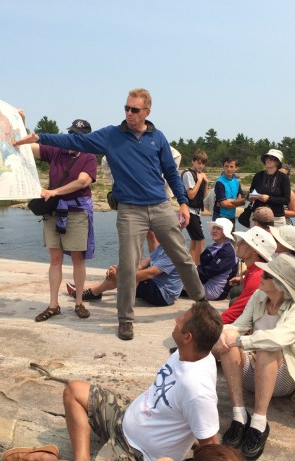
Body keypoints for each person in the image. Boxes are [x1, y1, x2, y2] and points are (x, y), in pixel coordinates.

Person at [13, 88, 205, 340]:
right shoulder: (111, 135)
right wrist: (39, 136)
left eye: (135, 109)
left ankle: (202, 304)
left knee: (182, 257)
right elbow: (73, 142)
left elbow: (170, 172)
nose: (129, 113)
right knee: (128, 265)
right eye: (126, 108)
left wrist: (182, 203)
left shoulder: (157, 138)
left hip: (160, 206)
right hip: (130, 210)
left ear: (147, 112)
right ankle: (125, 319)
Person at [1, 301, 222, 461]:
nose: (176, 320)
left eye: (181, 320)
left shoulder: (197, 389)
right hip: (126, 416)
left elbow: (211, 448)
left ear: (188, 337)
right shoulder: (187, 353)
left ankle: (44, 459)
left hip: (138, 455)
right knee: (74, 391)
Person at [213, 254, 295, 461]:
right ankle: (239, 416)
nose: (261, 277)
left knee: (267, 347)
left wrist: (239, 340)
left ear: (281, 285)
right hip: (255, 372)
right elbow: (240, 325)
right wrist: (223, 333)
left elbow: (277, 339)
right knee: (229, 344)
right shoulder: (258, 296)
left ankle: (259, 422)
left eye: (267, 275)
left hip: (284, 379)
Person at [21, 115, 97, 322]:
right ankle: (53, 305)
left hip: (76, 212)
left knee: (77, 258)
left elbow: (82, 182)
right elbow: (28, 147)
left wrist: (54, 192)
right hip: (53, 212)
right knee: (55, 259)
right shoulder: (57, 150)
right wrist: (20, 123)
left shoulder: (89, 157)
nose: (73, 138)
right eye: (71, 133)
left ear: (86, 139)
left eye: (78, 136)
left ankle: (79, 302)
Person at [67, 232, 182, 307]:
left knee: (121, 277)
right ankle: (88, 289)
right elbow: (143, 263)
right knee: (119, 272)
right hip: (155, 284)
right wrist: (120, 269)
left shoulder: (173, 251)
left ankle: (92, 292)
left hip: (162, 294)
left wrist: (121, 275)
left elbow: (150, 273)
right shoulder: (163, 246)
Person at [221, 227, 276, 324]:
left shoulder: (257, 276)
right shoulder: (254, 271)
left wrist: (209, 324)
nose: (237, 244)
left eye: (243, 242)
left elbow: (235, 313)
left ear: (254, 250)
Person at [196, 218, 238, 301]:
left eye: (218, 229)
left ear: (226, 232)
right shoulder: (217, 246)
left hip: (216, 291)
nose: (214, 231)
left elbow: (208, 272)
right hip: (207, 284)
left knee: (178, 277)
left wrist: (190, 272)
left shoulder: (227, 251)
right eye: (214, 228)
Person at [247, 149, 290, 228]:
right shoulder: (258, 176)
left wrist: (269, 198)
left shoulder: (283, 178)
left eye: (272, 158)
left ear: (277, 162)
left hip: (276, 218)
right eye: (267, 158)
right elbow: (250, 193)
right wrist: (251, 197)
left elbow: (286, 200)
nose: (268, 160)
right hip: (257, 217)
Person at [182, 150, 209, 265]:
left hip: (196, 212)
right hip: (189, 210)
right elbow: (191, 195)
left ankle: (191, 264)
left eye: (203, 163)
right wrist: (199, 180)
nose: (201, 166)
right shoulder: (188, 174)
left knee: (194, 239)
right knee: (201, 240)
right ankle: (198, 265)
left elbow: (204, 196)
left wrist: (206, 183)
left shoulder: (200, 175)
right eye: (199, 163)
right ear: (193, 161)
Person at [212, 157, 245, 228]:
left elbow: (243, 201)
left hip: (232, 217)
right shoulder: (219, 182)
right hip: (220, 217)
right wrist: (237, 202)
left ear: (236, 168)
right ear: (223, 167)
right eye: (226, 166)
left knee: (231, 235)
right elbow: (225, 204)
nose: (229, 169)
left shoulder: (236, 182)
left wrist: (230, 201)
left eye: (231, 166)